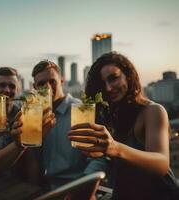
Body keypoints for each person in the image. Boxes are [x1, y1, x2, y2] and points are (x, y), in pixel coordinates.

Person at [68, 52, 179, 200]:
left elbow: (162, 164)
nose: (108, 88)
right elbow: (105, 162)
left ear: (128, 76)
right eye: (102, 83)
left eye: (113, 78)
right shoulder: (108, 115)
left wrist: (115, 148)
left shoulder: (153, 111)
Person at [12, 60, 108, 191]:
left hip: (76, 188)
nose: (47, 87)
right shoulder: (33, 114)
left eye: (52, 81)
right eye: (41, 84)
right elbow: (32, 158)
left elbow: (98, 158)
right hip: (45, 190)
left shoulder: (82, 110)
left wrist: (84, 189)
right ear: (34, 87)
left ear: (62, 81)